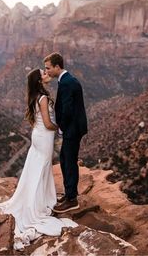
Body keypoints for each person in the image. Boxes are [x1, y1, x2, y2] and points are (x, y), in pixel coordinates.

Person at [0, 68, 77, 250]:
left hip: (38, 135)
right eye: (44, 74)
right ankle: (39, 202)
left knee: (38, 167)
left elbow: (40, 121)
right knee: (42, 166)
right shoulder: (43, 98)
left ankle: (40, 198)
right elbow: (48, 123)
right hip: (44, 136)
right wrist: (61, 127)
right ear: (40, 81)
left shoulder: (37, 96)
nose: (47, 74)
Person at [44, 53, 87, 214]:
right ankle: (70, 194)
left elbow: (67, 109)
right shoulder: (67, 80)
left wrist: (61, 127)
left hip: (72, 128)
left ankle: (72, 199)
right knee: (65, 159)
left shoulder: (67, 83)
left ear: (57, 67)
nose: (47, 71)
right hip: (73, 127)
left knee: (69, 161)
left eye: (48, 68)